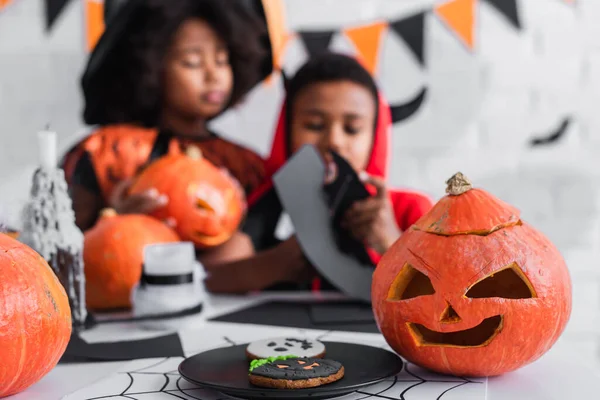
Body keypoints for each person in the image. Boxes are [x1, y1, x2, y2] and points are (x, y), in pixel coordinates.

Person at [204, 52, 433, 293]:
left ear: (375, 137)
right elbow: (203, 280)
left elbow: (448, 295)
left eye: (352, 129)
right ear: (287, 130)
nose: (333, 141)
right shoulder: (266, 204)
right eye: (314, 126)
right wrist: (273, 265)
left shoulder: (410, 211)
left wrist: (390, 242)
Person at [62, 0, 271, 238]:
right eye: (192, 62)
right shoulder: (107, 152)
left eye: (222, 61)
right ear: (151, 67)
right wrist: (113, 219)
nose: (213, 75)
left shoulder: (246, 165)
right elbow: (66, 243)